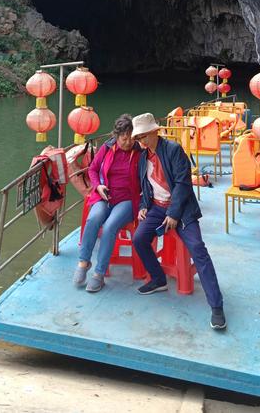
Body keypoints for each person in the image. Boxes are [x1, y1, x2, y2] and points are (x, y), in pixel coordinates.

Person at [131, 112, 226, 330]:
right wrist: (144, 206)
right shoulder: (144, 157)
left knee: (197, 249)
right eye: (139, 138)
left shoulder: (173, 150)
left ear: (155, 131)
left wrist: (173, 214)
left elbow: (183, 184)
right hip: (156, 207)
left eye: (144, 135)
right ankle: (158, 279)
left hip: (181, 210)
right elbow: (146, 185)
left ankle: (216, 306)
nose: (142, 141)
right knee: (139, 239)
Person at [73, 114, 141, 293]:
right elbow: (93, 169)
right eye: (124, 138)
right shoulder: (107, 147)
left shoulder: (140, 151)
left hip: (127, 199)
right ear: (116, 137)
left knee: (110, 226)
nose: (127, 142)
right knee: (94, 218)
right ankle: (84, 261)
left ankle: (99, 274)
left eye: (131, 138)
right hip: (105, 195)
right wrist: (98, 186)